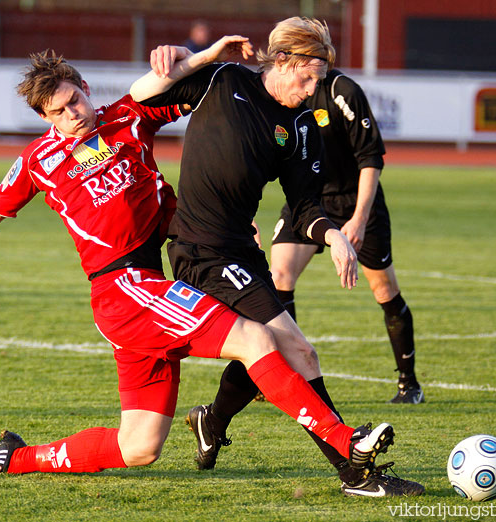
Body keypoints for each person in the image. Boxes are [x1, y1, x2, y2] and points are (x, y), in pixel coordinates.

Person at [0, 47, 395, 485]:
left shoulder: (124, 119)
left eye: (75, 100)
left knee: (139, 447)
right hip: (123, 289)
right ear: (45, 119)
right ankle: (346, 442)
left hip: (149, 285)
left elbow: (170, 84)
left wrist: (205, 53)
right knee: (256, 339)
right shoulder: (41, 160)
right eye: (58, 112)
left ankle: (13, 457)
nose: (73, 115)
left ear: (84, 87)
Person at [130, 17, 424, 497]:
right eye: (307, 78)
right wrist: (193, 57)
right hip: (199, 250)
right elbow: (141, 98)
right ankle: (354, 471)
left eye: (319, 81)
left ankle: (212, 420)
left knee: (263, 348)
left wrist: (333, 236)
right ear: (282, 61)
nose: (312, 91)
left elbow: (306, 205)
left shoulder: (301, 126)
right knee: (298, 349)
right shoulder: (223, 81)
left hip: (242, 254)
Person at [269, 67, 424, 405]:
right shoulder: (280, 90)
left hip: (356, 201)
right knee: (278, 274)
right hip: (309, 200)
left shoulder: (343, 90)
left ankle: (409, 383)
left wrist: (359, 219)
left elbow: (370, 159)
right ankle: (286, 377)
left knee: (384, 289)